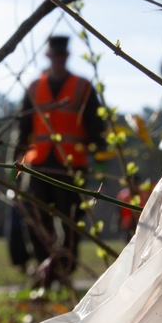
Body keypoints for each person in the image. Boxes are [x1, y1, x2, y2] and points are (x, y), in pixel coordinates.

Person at [11, 35, 106, 283]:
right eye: (55, 55)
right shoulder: (34, 87)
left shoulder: (82, 86)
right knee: (35, 220)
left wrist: (102, 152)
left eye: (62, 55)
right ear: (48, 56)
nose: (58, 59)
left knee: (71, 222)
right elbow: (22, 127)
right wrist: (14, 162)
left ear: (67, 56)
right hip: (38, 165)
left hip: (70, 167)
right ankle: (45, 269)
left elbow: (96, 125)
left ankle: (64, 270)